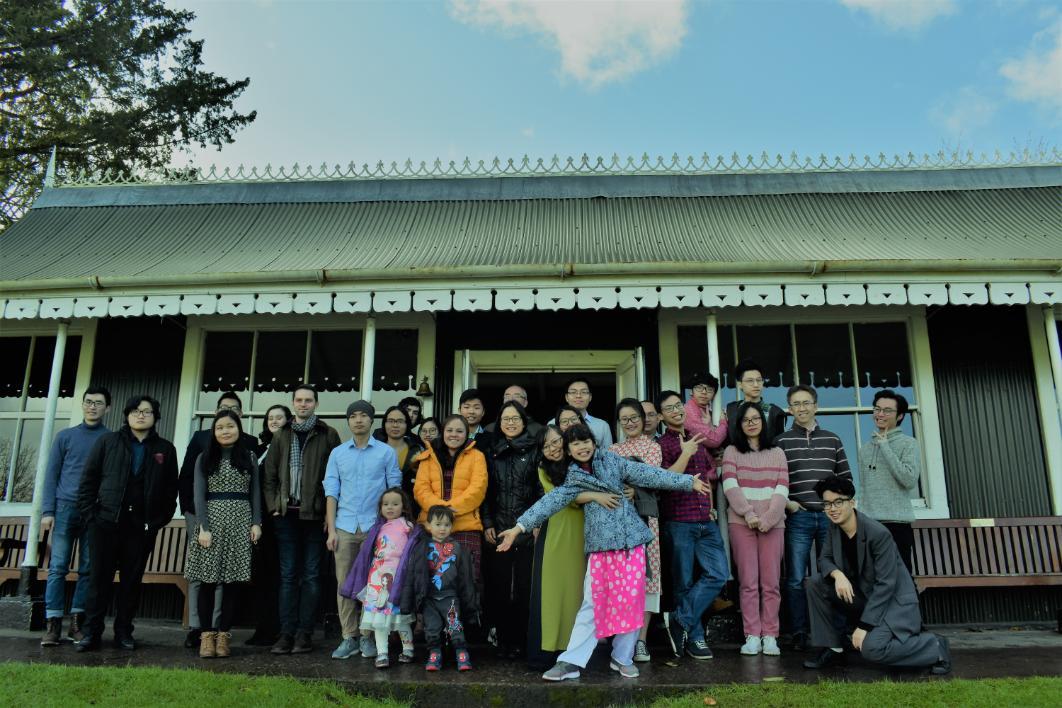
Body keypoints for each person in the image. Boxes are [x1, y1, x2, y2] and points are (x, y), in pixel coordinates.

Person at [496, 423, 711, 681]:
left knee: (632, 602)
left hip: (631, 543)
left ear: (593, 442)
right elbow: (549, 502)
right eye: (575, 443)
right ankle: (570, 662)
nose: (581, 447)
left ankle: (622, 658)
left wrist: (687, 482)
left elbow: (647, 474)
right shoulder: (573, 477)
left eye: (585, 441)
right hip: (600, 549)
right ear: (569, 449)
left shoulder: (613, 462)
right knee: (592, 604)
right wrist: (518, 527)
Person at [802, 477, 951, 675]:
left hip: (892, 605)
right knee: (815, 583)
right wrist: (838, 575)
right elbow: (824, 560)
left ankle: (934, 646)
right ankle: (834, 648)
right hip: (865, 598)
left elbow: (886, 584)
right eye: (827, 504)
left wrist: (864, 626)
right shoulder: (834, 529)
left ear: (852, 502)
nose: (832, 508)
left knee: (872, 649)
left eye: (838, 502)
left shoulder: (877, 533)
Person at [75, 395, 178, 652]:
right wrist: (92, 517)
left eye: (147, 411)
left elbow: (170, 491)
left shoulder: (165, 449)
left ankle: (124, 633)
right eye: (135, 410)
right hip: (105, 523)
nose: (140, 415)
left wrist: (157, 521)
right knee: (99, 581)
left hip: (140, 528)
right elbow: (88, 481)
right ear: (126, 414)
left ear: (155, 417)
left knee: (131, 583)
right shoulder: (108, 442)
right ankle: (91, 633)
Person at [262, 385, 342, 655]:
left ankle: (304, 634)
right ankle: (286, 633)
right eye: (299, 400)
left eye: (309, 400)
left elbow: (336, 477)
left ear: (316, 404)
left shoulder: (328, 434)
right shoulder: (282, 434)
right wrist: (274, 506)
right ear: (293, 403)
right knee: (287, 576)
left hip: (314, 517)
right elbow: (269, 475)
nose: (303, 404)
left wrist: (328, 514)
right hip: (286, 517)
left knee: (311, 576)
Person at [775, 384, 854, 652]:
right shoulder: (781, 441)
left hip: (830, 518)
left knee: (832, 575)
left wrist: (840, 511)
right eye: (796, 404)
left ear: (816, 406)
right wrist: (788, 504)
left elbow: (846, 480)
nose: (802, 408)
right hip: (799, 517)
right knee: (796, 578)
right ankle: (799, 632)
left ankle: (837, 631)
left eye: (806, 402)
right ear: (790, 409)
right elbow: (776, 480)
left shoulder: (833, 439)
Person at [178, 391, 257, 649]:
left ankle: (223, 636)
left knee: (232, 582)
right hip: (211, 521)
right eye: (220, 427)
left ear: (239, 427)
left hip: (240, 520)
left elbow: (254, 493)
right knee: (208, 581)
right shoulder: (205, 457)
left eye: (230, 426)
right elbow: (198, 495)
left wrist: (256, 522)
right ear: (213, 430)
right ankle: (206, 637)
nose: (225, 431)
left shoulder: (249, 458)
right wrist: (203, 527)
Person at [323, 400, 401, 660]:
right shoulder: (337, 453)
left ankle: (368, 637)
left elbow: (394, 490)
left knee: (373, 584)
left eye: (363, 416)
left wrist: (392, 528)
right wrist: (332, 529)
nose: (358, 420)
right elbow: (331, 492)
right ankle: (349, 637)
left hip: (375, 527)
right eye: (353, 416)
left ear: (371, 421)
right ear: (348, 421)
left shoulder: (385, 452)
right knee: (344, 584)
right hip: (344, 526)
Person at [655, 390, 727, 661]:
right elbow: (664, 480)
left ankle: (679, 619)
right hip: (679, 522)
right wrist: (685, 453)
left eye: (678, 405)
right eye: (669, 409)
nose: (676, 411)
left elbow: (706, 478)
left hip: (704, 521)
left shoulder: (698, 438)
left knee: (718, 574)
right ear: (661, 417)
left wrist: (709, 506)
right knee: (683, 583)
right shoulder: (661, 444)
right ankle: (695, 638)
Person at [40, 386, 111, 647]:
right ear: (82, 405)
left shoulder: (109, 439)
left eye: (98, 403)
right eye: (88, 402)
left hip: (93, 511)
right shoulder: (65, 437)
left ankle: (77, 622)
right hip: (64, 507)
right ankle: (53, 623)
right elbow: (51, 475)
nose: (92, 407)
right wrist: (48, 511)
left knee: (88, 568)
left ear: (107, 408)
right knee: (58, 566)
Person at [721, 402, 789, 657]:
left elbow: (782, 488)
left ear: (763, 421)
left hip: (773, 524)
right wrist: (748, 514)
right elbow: (730, 486)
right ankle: (752, 635)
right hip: (742, 523)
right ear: (739, 425)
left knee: (771, 583)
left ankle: (770, 635)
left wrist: (769, 518)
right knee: (748, 583)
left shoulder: (778, 452)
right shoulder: (731, 451)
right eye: (745, 419)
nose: (751, 423)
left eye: (756, 418)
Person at [482, 401, 541, 659]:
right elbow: (486, 492)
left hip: (527, 527)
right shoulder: (491, 452)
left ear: (523, 421)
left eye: (515, 418)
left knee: (525, 586)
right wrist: (487, 523)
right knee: (500, 585)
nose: (510, 423)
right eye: (505, 419)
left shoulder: (535, 450)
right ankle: (503, 639)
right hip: (498, 527)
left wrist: (537, 522)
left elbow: (541, 490)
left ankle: (521, 639)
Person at [527, 424, 588, 670]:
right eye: (546, 445)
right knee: (551, 593)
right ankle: (546, 651)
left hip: (583, 533)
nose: (553, 448)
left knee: (576, 592)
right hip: (554, 533)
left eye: (556, 442)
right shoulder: (544, 469)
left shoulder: (582, 462)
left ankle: (571, 650)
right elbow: (566, 497)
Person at [608, 398, 664, 664]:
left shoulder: (653, 447)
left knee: (647, 581)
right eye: (624, 419)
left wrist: (634, 489)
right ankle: (621, 641)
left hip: (644, 521)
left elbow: (650, 476)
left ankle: (640, 641)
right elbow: (608, 481)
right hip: (617, 523)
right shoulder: (612, 449)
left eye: (634, 418)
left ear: (644, 419)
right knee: (621, 582)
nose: (629, 423)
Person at [341, 488, 422, 668]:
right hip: (376, 578)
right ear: (380, 507)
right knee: (378, 619)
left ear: (404, 506)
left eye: (395, 504)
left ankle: (408, 649)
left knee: (400, 618)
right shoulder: (377, 527)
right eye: (386, 504)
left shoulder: (407, 526)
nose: (390, 508)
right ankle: (382, 653)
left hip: (397, 578)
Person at [401, 505, 480, 672]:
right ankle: (434, 654)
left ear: (452, 527)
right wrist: (407, 602)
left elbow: (466, 578)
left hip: (450, 597)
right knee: (431, 628)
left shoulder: (458, 549)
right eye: (438, 524)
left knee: (455, 626)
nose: (442, 528)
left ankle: (461, 652)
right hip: (429, 598)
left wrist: (471, 604)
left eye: (446, 524)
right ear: (429, 525)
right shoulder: (421, 548)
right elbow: (411, 575)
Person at [412, 414, 488, 588]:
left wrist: (448, 509)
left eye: (459, 431)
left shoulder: (477, 456)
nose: (454, 435)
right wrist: (440, 513)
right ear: (442, 432)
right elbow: (420, 489)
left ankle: (466, 616)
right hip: (431, 526)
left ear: (467, 434)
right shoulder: (428, 456)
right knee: (432, 580)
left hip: (465, 526)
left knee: (467, 581)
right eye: (450, 430)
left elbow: (478, 489)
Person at [858, 390, 920, 574]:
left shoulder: (909, 444)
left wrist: (885, 446)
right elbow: (863, 488)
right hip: (868, 524)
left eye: (887, 410)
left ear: (900, 416)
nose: (880, 414)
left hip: (897, 524)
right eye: (877, 409)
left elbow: (909, 479)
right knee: (871, 579)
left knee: (902, 580)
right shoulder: (865, 449)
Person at [246, 404, 291, 647]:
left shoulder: (289, 447)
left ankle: (278, 628)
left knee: (280, 575)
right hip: (258, 518)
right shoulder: (259, 448)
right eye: (270, 417)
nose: (274, 421)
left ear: (288, 421)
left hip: (281, 517)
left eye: (279, 417)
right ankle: (262, 628)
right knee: (261, 574)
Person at [378, 406, 424, 514]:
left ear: (407, 424)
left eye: (400, 421)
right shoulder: (375, 451)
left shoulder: (418, 451)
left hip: (412, 510)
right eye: (391, 421)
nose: (395, 425)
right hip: (381, 510)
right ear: (384, 424)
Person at [726, 360, 786, 443]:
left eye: (759, 380)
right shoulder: (731, 410)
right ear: (740, 384)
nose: (756, 385)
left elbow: (779, 443)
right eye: (750, 381)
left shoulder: (774, 412)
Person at [555, 377, 613, 447]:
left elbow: (608, 455)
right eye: (573, 392)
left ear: (590, 397)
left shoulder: (602, 426)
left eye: (584, 392)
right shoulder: (553, 423)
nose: (578, 396)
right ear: (566, 397)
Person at [683, 373, 730, 453]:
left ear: (714, 394)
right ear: (691, 391)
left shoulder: (707, 410)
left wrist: (710, 425)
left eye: (709, 389)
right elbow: (714, 440)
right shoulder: (689, 411)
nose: (704, 392)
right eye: (699, 388)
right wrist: (723, 422)